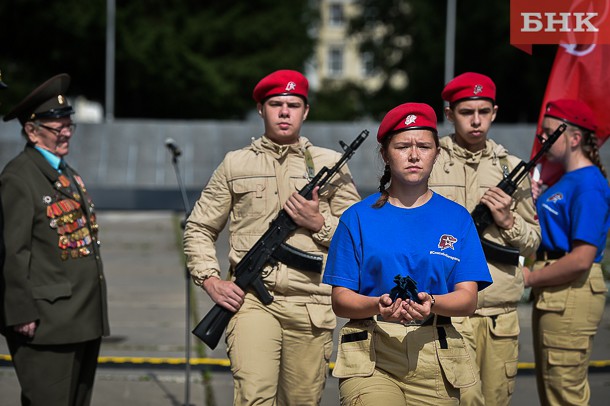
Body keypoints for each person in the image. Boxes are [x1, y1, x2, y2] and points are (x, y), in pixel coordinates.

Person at [183, 69, 361, 405]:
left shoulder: (330, 163)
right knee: (253, 398)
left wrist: (317, 220)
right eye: (275, 103)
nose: (284, 111)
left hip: (310, 305)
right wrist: (209, 279)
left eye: (293, 104)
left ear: (305, 111)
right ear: (261, 109)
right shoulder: (236, 163)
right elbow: (199, 227)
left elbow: (357, 238)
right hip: (250, 301)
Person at [322, 102, 493, 405]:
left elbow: (468, 298)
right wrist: (377, 304)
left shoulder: (457, 218)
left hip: (435, 354)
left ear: (436, 153)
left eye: (424, 146)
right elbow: (340, 300)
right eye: (402, 146)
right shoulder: (357, 218)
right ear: (386, 154)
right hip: (372, 352)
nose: (414, 155)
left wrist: (434, 303)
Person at [428, 72, 541, 405]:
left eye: (483, 111)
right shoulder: (429, 162)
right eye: (466, 112)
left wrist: (508, 221)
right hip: (446, 309)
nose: (476, 121)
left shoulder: (512, 169)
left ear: (494, 112)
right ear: (449, 114)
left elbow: (532, 242)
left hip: (498, 314)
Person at [0, 74, 109, 406]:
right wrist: (20, 312)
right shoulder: (19, 177)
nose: (65, 133)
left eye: (68, 125)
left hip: (81, 318)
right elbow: (12, 252)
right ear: (32, 132)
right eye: (56, 127)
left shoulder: (65, 172)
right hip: (46, 324)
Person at [523, 99, 609, 406]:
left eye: (549, 133)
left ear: (574, 138)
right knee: (554, 391)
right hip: (558, 291)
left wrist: (531, 278)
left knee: (564, 393)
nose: (542, 140)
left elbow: (582, 257)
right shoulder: (568, 180)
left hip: (570, 289)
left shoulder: (587, 185)